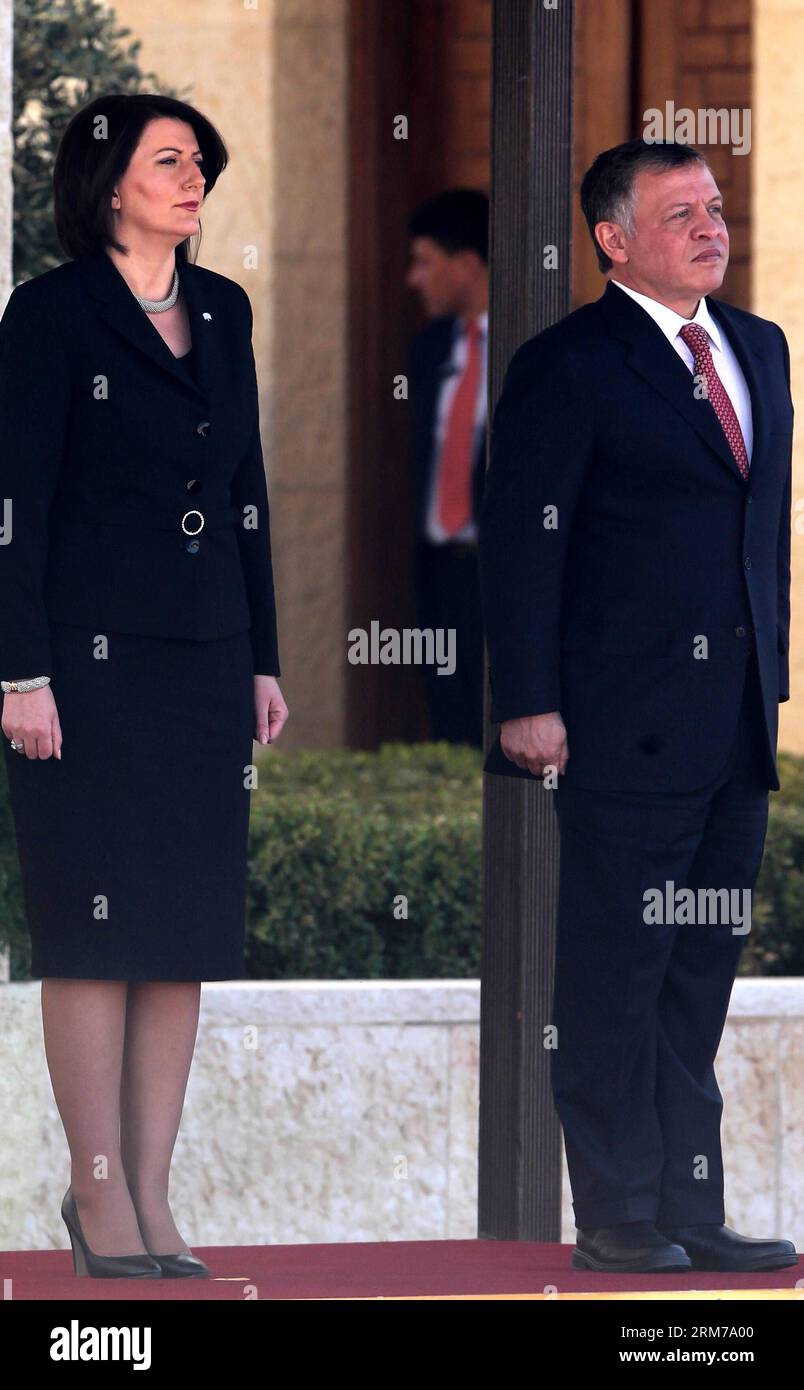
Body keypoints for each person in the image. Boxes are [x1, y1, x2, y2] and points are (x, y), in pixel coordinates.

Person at [478, 138, 798, 1274]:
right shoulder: (569, 364)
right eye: (680, 213)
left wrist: (776, 684)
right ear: (613, 239)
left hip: (736, 729)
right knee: (618, 970)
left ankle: (689, 1208)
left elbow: (765, 541)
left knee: (696, 975)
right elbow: (522, 544)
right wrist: (528, 700)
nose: (712, 227)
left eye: (714, 207)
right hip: (620, 725)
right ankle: (617, 1215)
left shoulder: (759, 347)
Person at [0, 93, 288, 1278]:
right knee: (94, 935)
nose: (192, 180)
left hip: (204, 661)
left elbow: (248, 493)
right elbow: (13, 505)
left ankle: (157, 1203)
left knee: (179, 936)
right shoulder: (50, 313)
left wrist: (264, 653)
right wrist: (20, 670)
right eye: (169, 161)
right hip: (82, 668)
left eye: (200, 164)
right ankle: (98, 1196)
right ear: (109, 181)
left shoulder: (224, 309)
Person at [407, 189, 488, 748]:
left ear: (465, 265)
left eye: (424, 262)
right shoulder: (430, 348)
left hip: (510, 577)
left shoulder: (543, 346)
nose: (414, 279)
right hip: (442, 575)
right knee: (451, 734)